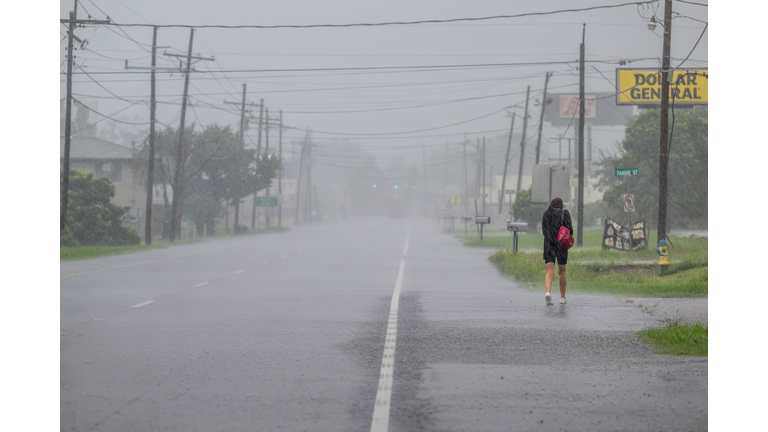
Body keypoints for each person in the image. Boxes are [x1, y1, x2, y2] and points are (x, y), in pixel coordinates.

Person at [541, 197, 573, 305]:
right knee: (562, 272)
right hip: (561, 245)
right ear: (561, 205)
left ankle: (548, 293)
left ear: (551, 204)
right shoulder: (565, 214)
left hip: (549, 245)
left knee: (549, 272)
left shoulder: (546, 215)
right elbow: (570, 230)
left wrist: (551, 238)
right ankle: (562, 298)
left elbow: (544, 232)